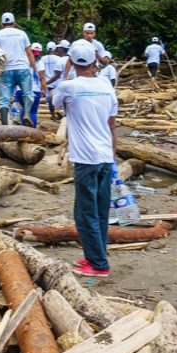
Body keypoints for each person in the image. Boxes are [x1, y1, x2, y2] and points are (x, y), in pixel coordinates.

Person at [52, 40, 118, 277]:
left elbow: (54, 102)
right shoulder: (106, 86)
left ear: (70, 61)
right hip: (104, 157)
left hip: (85, 159)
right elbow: (112, 126)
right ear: (94, 60)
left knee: (85, 212)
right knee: (100, 210)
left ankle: (99, 264)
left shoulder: (68, 87)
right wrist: (113, 160)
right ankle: (95, 255)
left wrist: (67, 72)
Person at [0, 13, 46, 126]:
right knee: (28, 94)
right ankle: (27, 114)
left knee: (4, 99)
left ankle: (4, 124)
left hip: (6, 70)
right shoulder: (22, 34)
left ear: (1, 24)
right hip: (22, 69)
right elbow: (29, 53)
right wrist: (34, 69)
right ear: (14, 23)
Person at [14, 43, 44, 127]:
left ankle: (24, 132)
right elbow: (42, 78)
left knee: (25, 109)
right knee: (33, 112)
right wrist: (46, 90)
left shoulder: (23, 60)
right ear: (40, 52)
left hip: (21, 90)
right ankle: (32, 133)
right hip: (34, 90)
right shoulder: (40, 63)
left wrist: (15, 88)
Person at [39, 41, 66, 115]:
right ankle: (58, 110)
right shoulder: (58, 58)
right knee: (58, 97)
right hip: (56, 82)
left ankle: (53, 115)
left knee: (50, 100)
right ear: (55, 49)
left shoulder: (43, 58)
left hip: (46, 82)